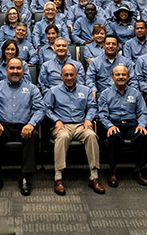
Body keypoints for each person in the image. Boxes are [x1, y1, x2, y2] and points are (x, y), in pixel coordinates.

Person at [0, 58, 45, 196]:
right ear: (6, 70)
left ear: (23, 70)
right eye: (12, 68)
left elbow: (40, 109)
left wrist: (31, 124)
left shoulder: (32, 88)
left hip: (24, 126)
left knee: (34, 135)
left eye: (18, 68)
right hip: (2, 125)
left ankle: (25, 177)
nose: (15, 71)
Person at [45, 63, 105, 195]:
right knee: (63, 137)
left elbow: (93, 107)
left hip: (80, 125)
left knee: (91, 135)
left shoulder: (86, 90)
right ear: (61, 76)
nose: (69, 77)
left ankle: (94, 176)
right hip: (62, 125)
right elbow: (46, 109)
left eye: (72, 74)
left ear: (76, 75)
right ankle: (58, 177)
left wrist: (89, 119)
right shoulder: (53, 91)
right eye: (66, 75)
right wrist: (57, 120)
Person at [98, 65, 147, 187]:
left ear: (128, 77)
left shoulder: (136, 93)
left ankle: (138, 170)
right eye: (117, 74)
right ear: (112, 77)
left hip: (132, 124)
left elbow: (143, 112)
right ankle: (112, 171)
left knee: (143, 136)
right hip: (114, 124)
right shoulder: (105, 94)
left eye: (123, 75)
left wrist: (142, 124)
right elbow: (102, 114)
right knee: (113, 136)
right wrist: (109, 125)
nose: (120, 77)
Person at [86, 35, 136, 99]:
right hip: (101, 95)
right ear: (103, 46)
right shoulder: (95, 62)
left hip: (123, 95)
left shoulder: (126, 62)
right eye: (108, 44)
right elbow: (90, 79)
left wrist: (132, 93)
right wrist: (93, 91)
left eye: (114, 44)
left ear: (118, 46)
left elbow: (132, 80)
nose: (111, 46)